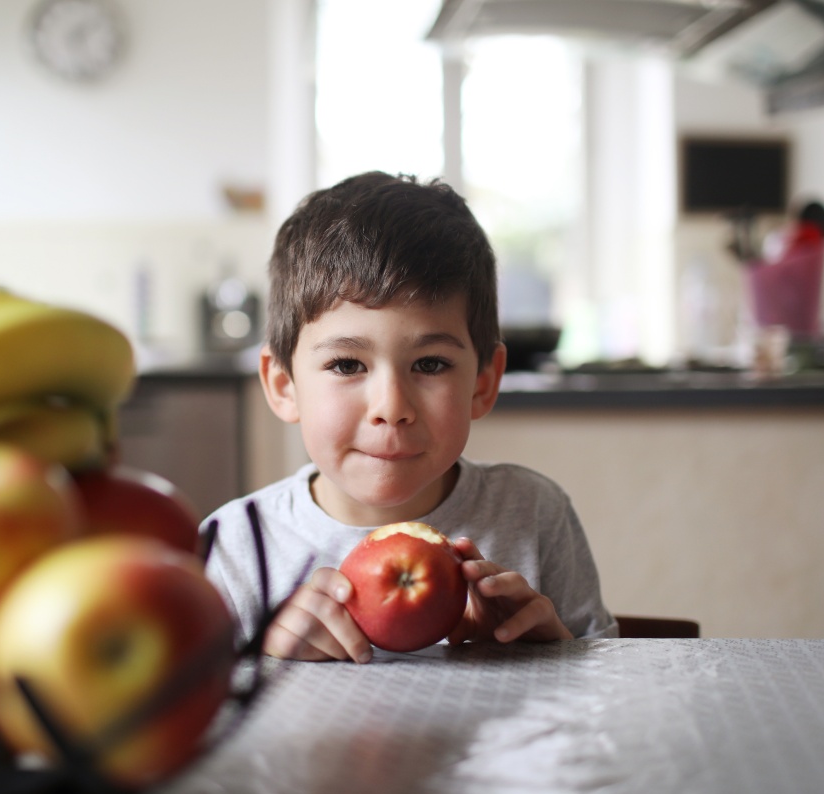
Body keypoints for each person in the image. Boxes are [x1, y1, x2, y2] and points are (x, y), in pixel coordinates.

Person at [203, 172, 617, 663]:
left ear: (483, 383)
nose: (392, 408)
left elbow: (602, 694)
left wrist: (557, 655)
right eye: (347, 365)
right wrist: (261, 663)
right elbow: (187, 718)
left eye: (430, 365)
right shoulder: (235, 546)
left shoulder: (533, 515)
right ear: (283, 385)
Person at [732, 200, 824, 340]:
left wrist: (753, 268)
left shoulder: (807, 245)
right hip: (806, 333)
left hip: (794, 336)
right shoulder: (815, 248)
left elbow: (773, 274)